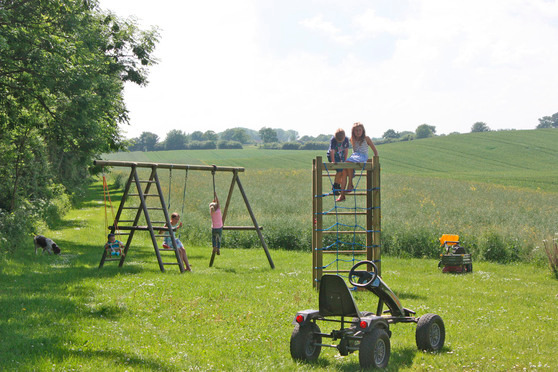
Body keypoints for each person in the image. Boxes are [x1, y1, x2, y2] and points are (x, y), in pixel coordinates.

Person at [337, 122, 379, 202]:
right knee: (344, 170)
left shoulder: (366, 138)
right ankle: (342, 195)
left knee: (348, 164)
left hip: (362, 156)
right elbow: (343, 146)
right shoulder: (352, 139)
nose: (358, 132)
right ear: (353, 132)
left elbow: (375, 150)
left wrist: (376, 159)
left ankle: (350, 184)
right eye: (356, 130)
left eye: (360, 130)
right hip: (354, 156)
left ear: (363, 131)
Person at [326, 128, 350, 195]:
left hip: (341, 156)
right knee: (339, 170)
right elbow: (332, 151)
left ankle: (337, 186)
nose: (339, 142)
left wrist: (345, 160)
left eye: (341, 141)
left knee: (342, 171)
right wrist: (333, 162)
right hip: (332, 156)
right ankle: (335, 187)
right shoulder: (333, 139)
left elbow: (346, 150)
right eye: (338, 141)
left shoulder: (346, 139)